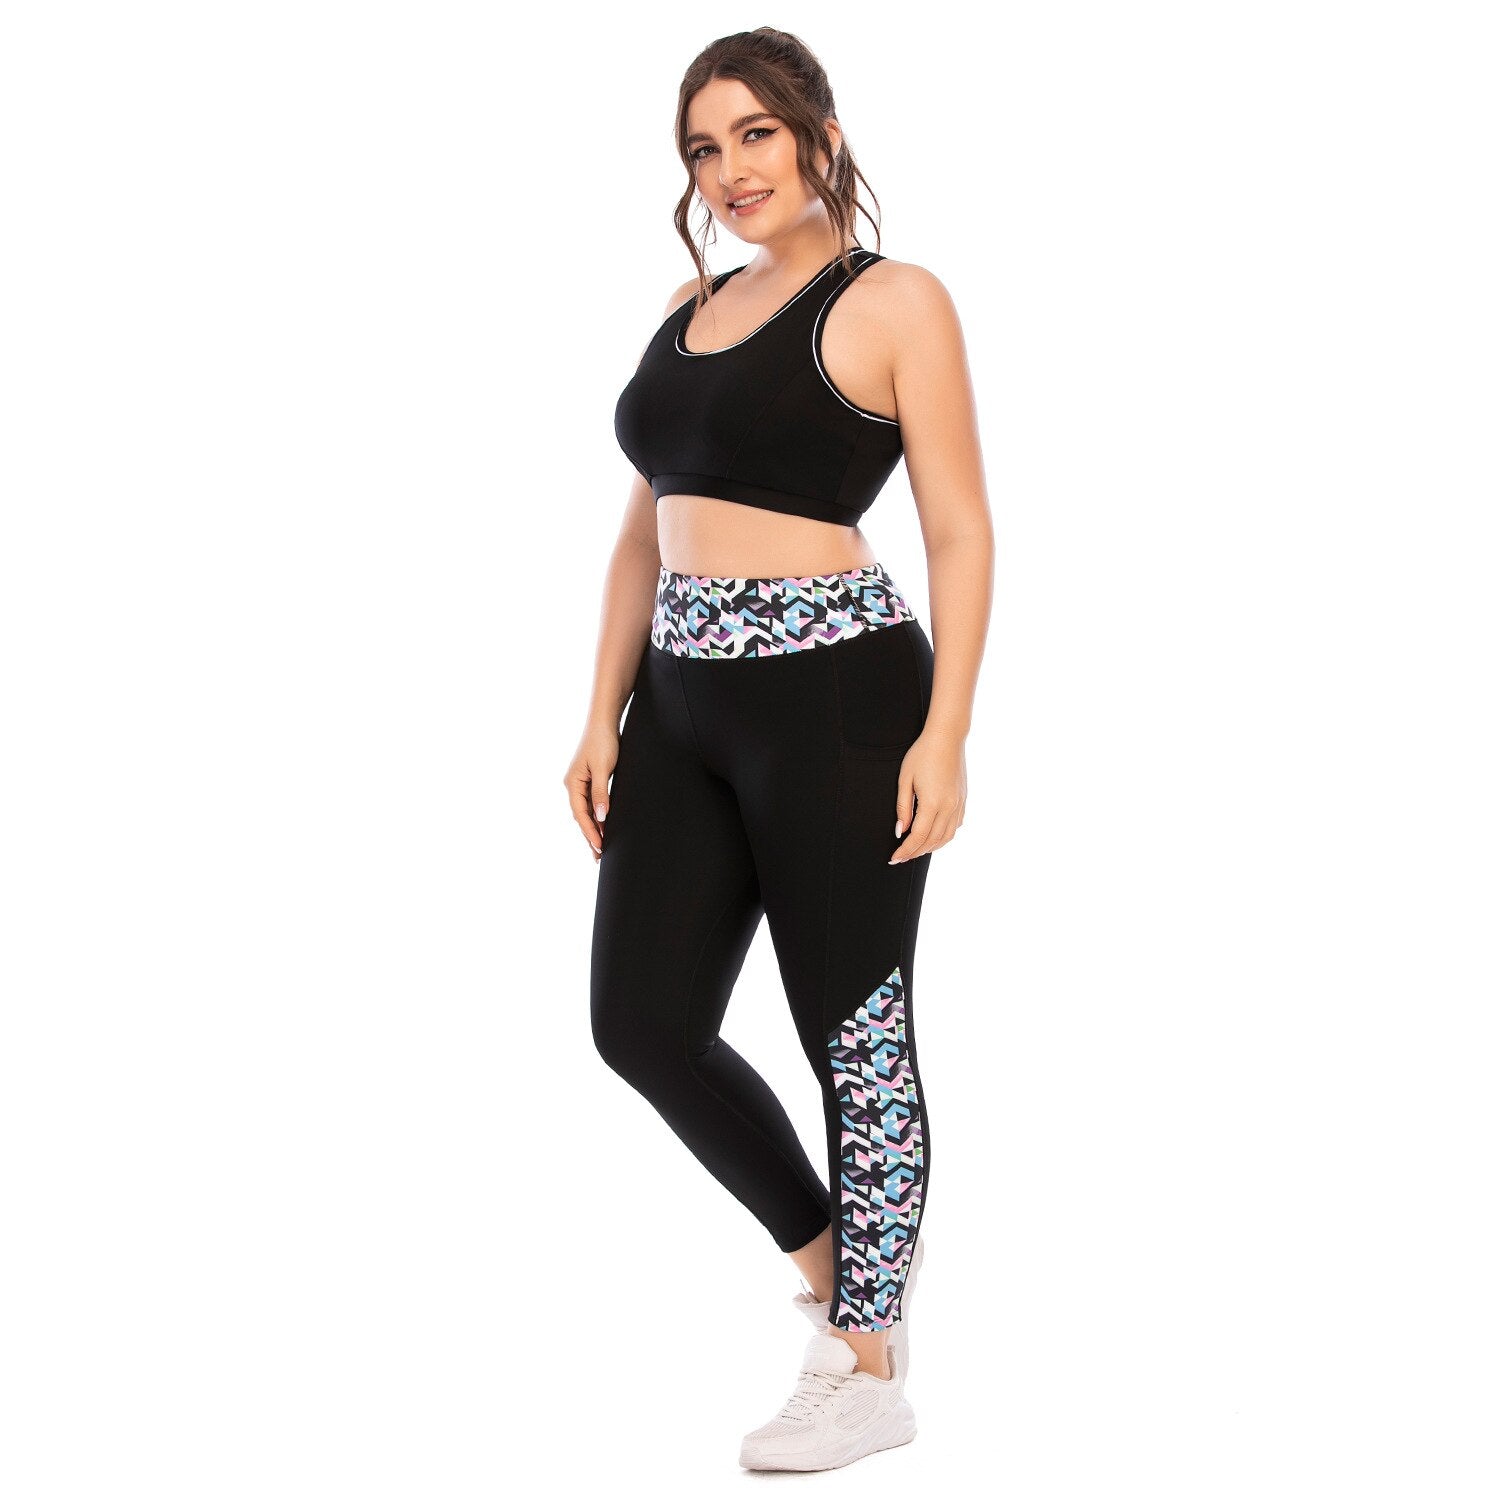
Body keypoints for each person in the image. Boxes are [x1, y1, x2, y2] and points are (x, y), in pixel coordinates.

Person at [565, 27, 993, 1472]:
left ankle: (865, 1370)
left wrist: (946, 731)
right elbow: (644, 531)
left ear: (819, 131)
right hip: (680, 703)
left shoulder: (894, 300)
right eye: (704, 147)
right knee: (641, 1025)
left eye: (755, 133)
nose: (730, 169)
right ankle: (842, 1270)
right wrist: (601, 711)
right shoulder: (687, 308)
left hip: (838, 699)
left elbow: (958, 529)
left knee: (851, 1030)